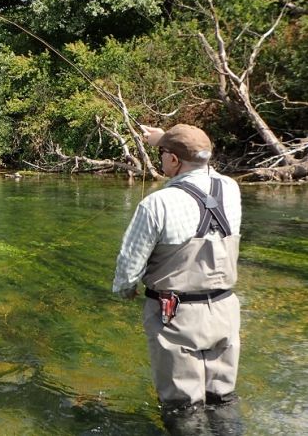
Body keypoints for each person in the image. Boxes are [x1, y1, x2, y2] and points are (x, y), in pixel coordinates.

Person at [112, 124, 243, 432]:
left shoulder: (157, 203)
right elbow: (193, 152)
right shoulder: (231, 189)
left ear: (172, 160)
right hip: (225, 311)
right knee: (222, 399)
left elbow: (128, 268)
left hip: (175, 318)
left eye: (163, 155)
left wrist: (126, 289)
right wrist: (163, 139)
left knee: (183, 407)